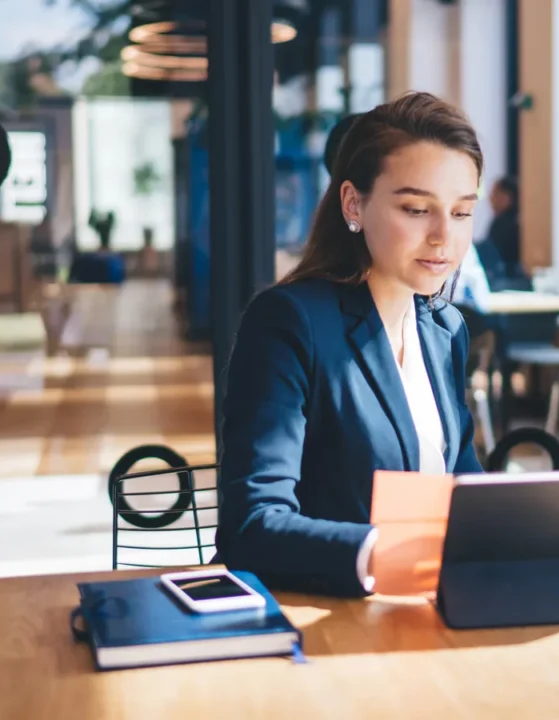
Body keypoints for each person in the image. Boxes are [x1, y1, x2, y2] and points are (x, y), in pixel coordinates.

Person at [216, 92, 485, 597]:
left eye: (462, 213)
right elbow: (251, 524)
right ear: (353, 204)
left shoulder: (444, 329)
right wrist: (386, 555)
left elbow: (463, 486)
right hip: (325, 617)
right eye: (416, 208)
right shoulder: (291, 322)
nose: (443, 237)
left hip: (424, 611)